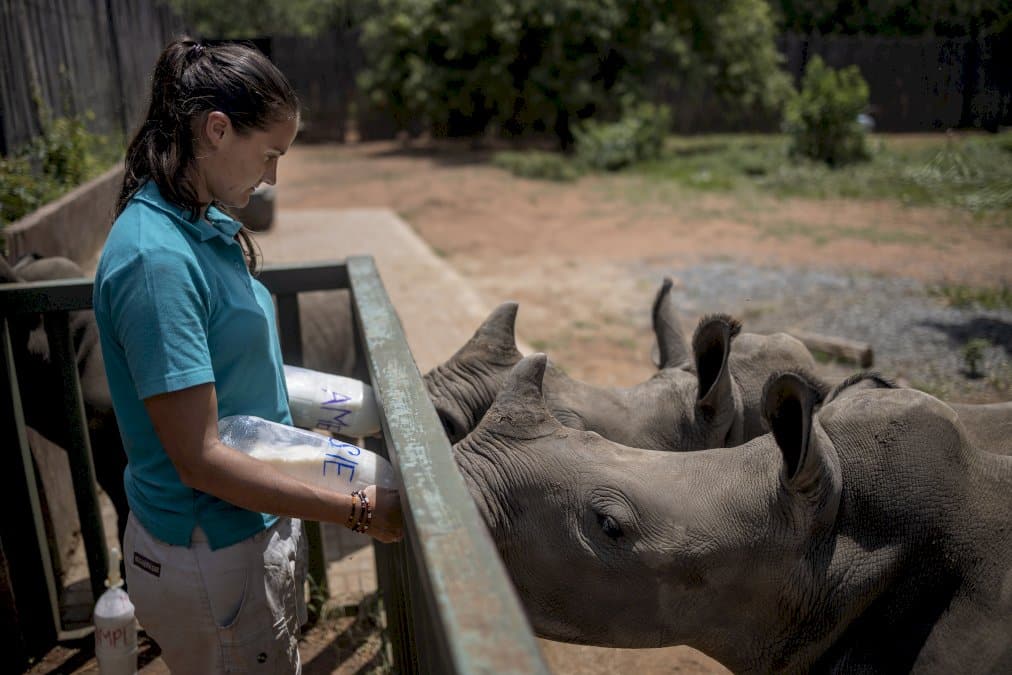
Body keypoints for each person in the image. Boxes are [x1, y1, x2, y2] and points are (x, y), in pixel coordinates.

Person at [92, 37, 403, 674]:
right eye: (269, 154)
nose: (272, 177)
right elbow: (200, 458)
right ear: (216, 129)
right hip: (211, 553)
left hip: (241, 539)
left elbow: (235, 379)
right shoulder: (157, 261)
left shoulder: (198, 222)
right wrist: (361, 511)